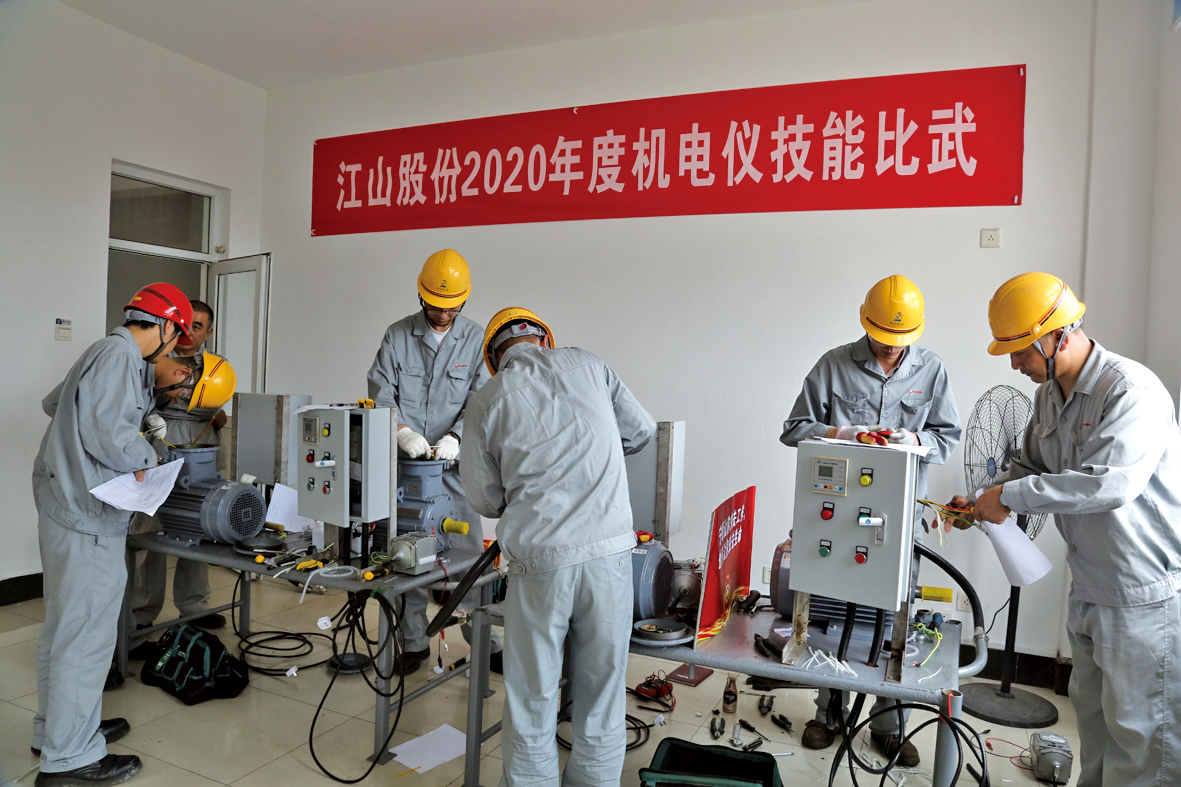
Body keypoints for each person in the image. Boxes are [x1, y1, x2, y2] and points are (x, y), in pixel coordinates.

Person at [943, 272, 1181, 787]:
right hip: (1089, 584)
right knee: (1095, 729)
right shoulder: (1049, 397)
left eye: (1021, 350)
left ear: (1059, 335)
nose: (1015, 364)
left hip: (1142, 593)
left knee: (1144, 743)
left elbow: (1108, 484)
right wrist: (982, 500)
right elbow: (1031, 466)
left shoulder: (1131, 390)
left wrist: (1007, 497)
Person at [460, 307, 656, 786]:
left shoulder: (487, 399)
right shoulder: (590, 364)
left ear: (494, 358)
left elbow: (484, 499)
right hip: (611, 557)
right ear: (545, 339)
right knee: (602, 696)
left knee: (532, 699)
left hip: (541, 562)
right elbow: (642, 429)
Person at [780, 274, 961, 767]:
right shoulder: (834, 365)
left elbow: (948, 436)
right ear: (865, 323)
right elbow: (793, 430)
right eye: (882, 337)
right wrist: (843, 433)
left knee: (893, 622)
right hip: (840, 516)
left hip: (899, 522)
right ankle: (828, 714)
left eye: (900, 340)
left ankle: (889, 726)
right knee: (835, 613)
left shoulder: (932, 370)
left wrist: (915, 441)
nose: (890, 347)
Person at [31, 283, 194, 786]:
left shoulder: (103, 350)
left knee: (65, 626)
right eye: (177, 339)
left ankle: (57, 730)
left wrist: (140, 411)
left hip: (62, 501)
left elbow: (55, 403)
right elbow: (109, 436)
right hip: (87, 513)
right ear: (164, 327)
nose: (174, 350)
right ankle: (70, 758)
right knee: (86, 634)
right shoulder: (122, 356)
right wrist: (153, 455)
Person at [366, 248, 502, 673]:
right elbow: (380, 391)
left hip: (456, 473)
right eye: (435, 306)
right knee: (407, 559)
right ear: (421, 295)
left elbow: (482, 399)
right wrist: (400, 430)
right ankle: (412, 643)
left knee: (468, 561)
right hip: (406, 472)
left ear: (464, 300)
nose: (443, 314)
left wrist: (457, 436)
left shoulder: (477, 340)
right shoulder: (397, 335)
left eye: (452, 307)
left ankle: (485, 644)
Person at [129, 301, 235, 643]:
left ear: (208, 332)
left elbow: (218, 403)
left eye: (198, 326)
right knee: (149, 528)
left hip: (205, 446)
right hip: (159, 443)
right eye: (186, 323)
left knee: (199, 525)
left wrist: (216, 414)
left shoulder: (217, 365)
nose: (190, 331)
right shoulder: (154, 358)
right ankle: (141, 612)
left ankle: (194, 606)